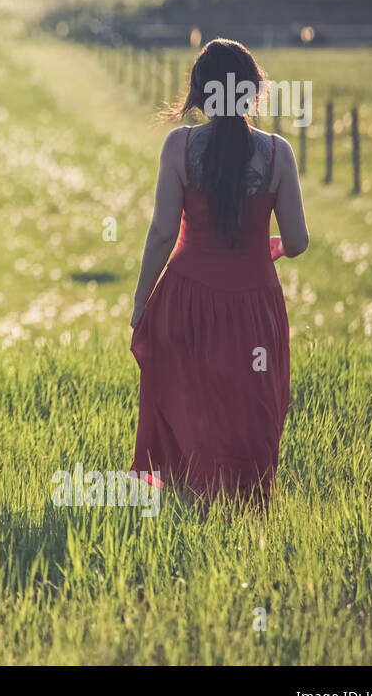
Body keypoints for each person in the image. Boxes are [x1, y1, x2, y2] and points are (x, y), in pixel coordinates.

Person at [129, 38, 309, 508]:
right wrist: (269, 248)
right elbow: (299, 241)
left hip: (187, 299)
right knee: (251, 407)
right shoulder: (277, 154)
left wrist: (139, 302)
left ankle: (191, 503)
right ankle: (244, 511)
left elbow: (162, 234)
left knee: (193, 401)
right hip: (254, 303)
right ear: (252, 92)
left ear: (200, 93)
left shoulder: (179, 146)